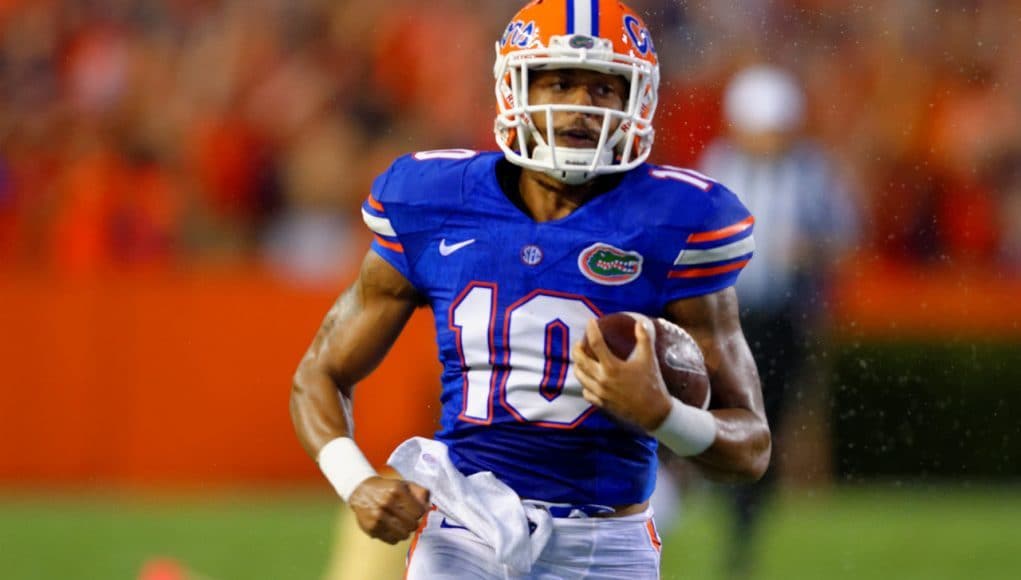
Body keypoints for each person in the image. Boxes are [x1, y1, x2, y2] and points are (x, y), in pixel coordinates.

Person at [290, 1, 770, 578]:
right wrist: (356, 480)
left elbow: (751, 446)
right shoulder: (434, 200)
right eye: (560, 82)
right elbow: (318, 373)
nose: (580, 107)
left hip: (605, 543)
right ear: (514, 89)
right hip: (464, 531)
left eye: (603, 89)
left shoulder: (677, 221)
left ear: (636, 101)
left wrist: (663, 414)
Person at [699, 65, 857, 579]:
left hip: (785, 317)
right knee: (720, 412)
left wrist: (813, 252)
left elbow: (845, 239)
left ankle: (747, 515)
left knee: (769, 418)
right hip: (728, 316)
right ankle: (721, 503)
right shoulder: (718, 167)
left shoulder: (811, 173)